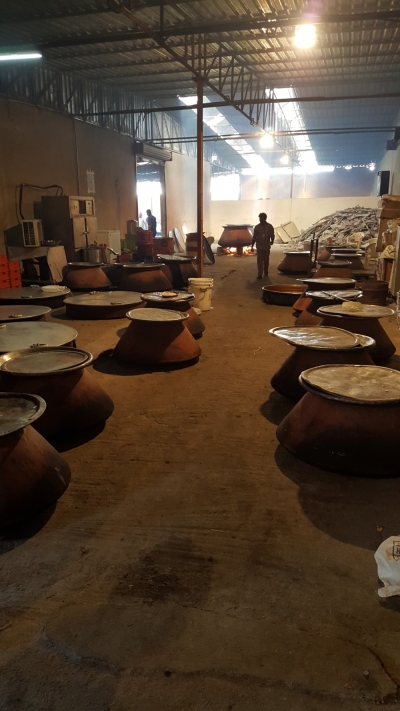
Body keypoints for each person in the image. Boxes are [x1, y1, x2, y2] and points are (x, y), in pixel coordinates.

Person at [251, 212, 275, 279]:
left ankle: (266, 271)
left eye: (262, 218)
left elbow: (272, 235)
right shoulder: (257, 227)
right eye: (260, 218)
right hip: (259, 246)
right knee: (260, 260)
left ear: (265, 218)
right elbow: (254, 237)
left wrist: (272, 240)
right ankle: (260, 274)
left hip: (267, 246)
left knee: (266, 260)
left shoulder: (270, 227)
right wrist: (252, 246)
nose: (260, 220)